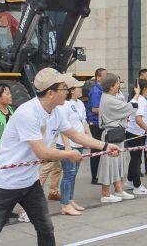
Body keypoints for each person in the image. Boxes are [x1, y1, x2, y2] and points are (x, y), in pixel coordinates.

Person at [0, 68, 121, 246]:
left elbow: (76, 135)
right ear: (50, 93)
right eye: (63, 88)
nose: (67, 92)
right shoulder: (28, 113)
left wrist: (105, 146)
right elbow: (42, 152)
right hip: (5, 184)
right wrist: (69, 154)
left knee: (45, 227)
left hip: (29, 182)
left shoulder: (57, 111)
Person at [98, 74, 137, 203]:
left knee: (117, 163)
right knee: (109, 164)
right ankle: (105, 194)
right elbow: (130, 108)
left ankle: (118, 190)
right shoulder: (109, 99)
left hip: (116, 133)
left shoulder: (109, 97)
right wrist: (136, 95)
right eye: (117, 83)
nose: (119, 85)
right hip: (111, 135)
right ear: (111, 86)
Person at [56, 77, 91, 216]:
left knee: (73, 174)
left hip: (79, 143)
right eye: (78, 87)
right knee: (68, 174)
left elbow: (84, 122)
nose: (81, 89)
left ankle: (70, 199)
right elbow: (63, 127)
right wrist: (68, 146)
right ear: (71, 90)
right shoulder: (64, 105)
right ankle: (65, 204)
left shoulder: (80, 104)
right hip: (67, 145)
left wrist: (90, 138)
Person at [124, 78, 147, 195]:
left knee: (135, 158)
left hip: (138, 133)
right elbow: (138, 119)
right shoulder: (140, 101)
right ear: (145, 88)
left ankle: (130, 180)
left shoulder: (143, 99)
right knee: (136, 160)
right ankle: (137, 186)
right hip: (135, 133)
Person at [86, 67, 107, 185]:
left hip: (99, 123)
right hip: (94, 123)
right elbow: (95, 109)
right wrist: (109, 110)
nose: (106, 77)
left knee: (99, 149)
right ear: (98, 77)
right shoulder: (96, 91)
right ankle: (94, 177)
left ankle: (97, 175)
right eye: (104, 75)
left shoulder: (102, 89)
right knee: (95, 149)